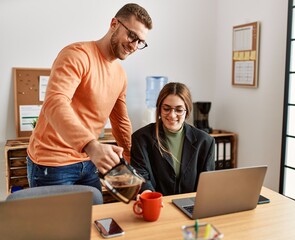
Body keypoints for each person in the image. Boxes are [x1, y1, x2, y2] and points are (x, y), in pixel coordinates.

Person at [26, 3, 153, 193]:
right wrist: (91, 145)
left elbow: (120, 122)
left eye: (140, 42)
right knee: (61, 223)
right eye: (132, 36)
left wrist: (129, 158)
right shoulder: (77, 55)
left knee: (94, 219)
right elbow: (55, 102)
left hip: (88, 162)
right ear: (114, 24)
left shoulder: (120, 74)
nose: (134, 46)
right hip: (53, 163)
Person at [131, 82, 215, 196]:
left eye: (179, 110)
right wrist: (147, 195)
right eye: (166, 109)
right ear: (160, 109)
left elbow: (208, 184)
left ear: (187, 111)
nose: (172, 115)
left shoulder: (205, 142)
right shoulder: (141, 139)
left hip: (191, 206)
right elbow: (140, 176)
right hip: (156, 204)